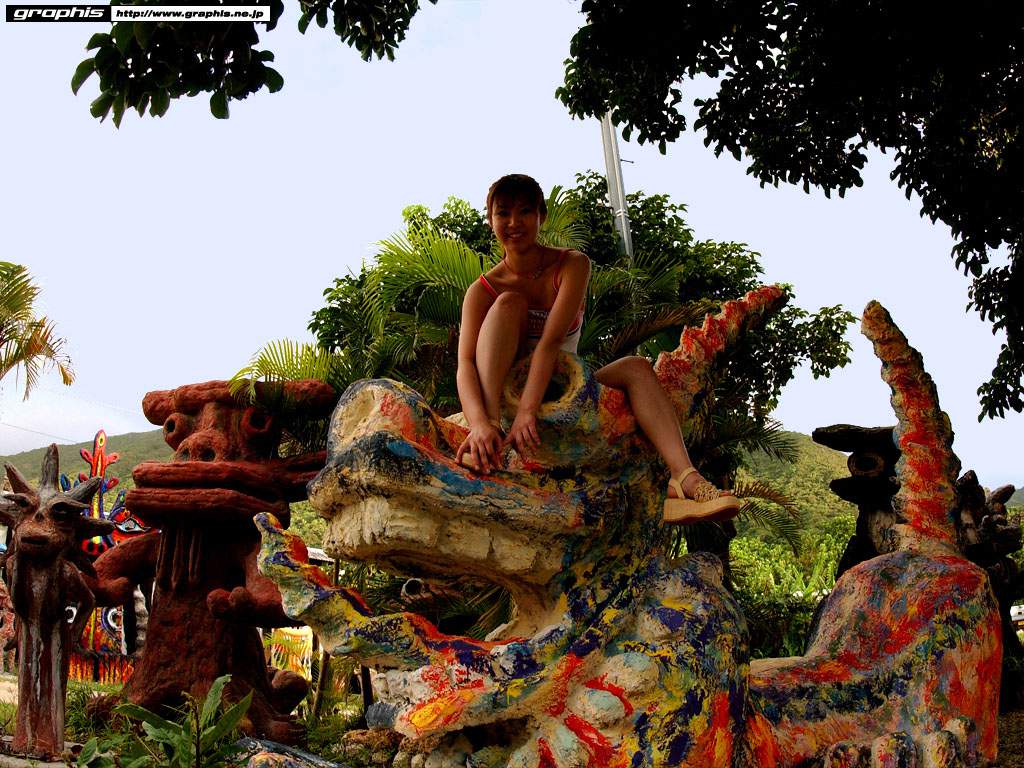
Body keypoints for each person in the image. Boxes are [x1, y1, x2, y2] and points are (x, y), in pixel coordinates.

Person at [454, 174, 740, 525]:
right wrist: (479, 423)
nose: (514, 222)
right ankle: (490, 434)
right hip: (505, 399)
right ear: (490, 220)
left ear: (542, 215)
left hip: (562, 385)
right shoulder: (482, 290)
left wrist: (531, 409)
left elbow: (551, 342)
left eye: (525, 211)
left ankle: (684, 478)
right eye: (503, 213)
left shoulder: (572, 264)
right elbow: (465, 363)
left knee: (636, 366)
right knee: (508, 303)